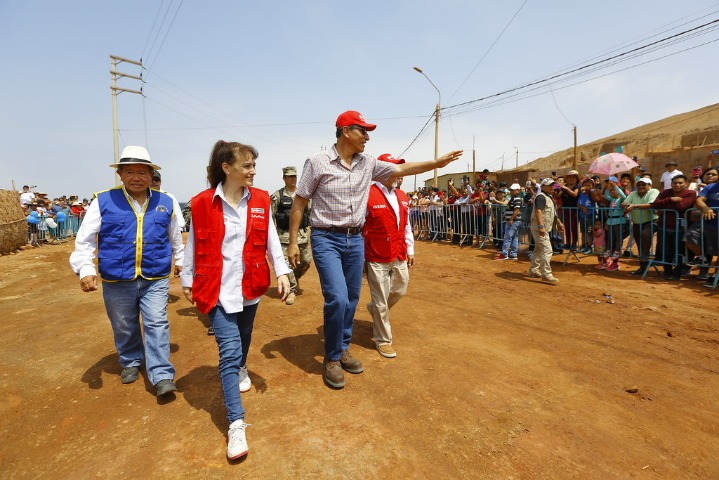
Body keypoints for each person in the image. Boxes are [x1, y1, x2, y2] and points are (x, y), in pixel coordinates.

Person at [287, 110, 462, 389]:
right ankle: (331, 358)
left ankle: (343, 347)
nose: (367, 137)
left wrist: (436, 163)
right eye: (363, 131)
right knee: (337, 298)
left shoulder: (368, 163)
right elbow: (299, 202)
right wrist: (294, 241)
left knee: (353, 298)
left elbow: (402, 170)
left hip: (355, 240)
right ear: (346, 131)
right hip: (326, 239)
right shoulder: (317, 162)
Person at [180, 140, 291, 460]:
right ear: (226, 169)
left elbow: (270, 238)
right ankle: (236, 423)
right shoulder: (201, 203)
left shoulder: (260, 201)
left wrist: (281, 272)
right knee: (228, 354)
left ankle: (243, 365)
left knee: (244, 338)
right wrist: (188, 277)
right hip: (216, 289)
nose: (253, 171)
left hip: (250, 286)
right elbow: (193, 244)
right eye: (247, 166)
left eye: (255, 165)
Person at [69, 146, 184, 397]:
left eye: (142, 172)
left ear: (151, 175)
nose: (136, 177)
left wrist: (182, 262)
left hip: (155, 276)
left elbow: (175, 238)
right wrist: (86, 269)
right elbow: (85, 240)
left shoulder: (166, 202)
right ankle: (131, 360)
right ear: (120, 174)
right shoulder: (103, 200)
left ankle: (162, 374)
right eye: (129, 171)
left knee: (157, 323)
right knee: (123, 324)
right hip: (117, 278)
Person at [364, 153, 414, 358]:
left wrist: (410, 249)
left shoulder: (402, 196)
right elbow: (359, 226)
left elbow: (407, 225)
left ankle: (374, 309)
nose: (399, 174)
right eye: (394, 169)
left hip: (398, 251)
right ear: (382, 171)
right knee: (381, 300)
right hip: (376, 255)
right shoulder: (367, 194)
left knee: (400, 289)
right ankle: (383, 340)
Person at [270, 166, 312, 306]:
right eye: (289, 176)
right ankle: (292, 290)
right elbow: (270, 217)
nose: (293, 179)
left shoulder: (304, 195)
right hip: (283, 237)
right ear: (284, 178)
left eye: (294, 176)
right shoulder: (277, 196)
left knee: (306, 261)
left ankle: (295, 277)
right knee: (286, 264)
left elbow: (310, 212)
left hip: (301, 235)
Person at [527, 178, 565, 284]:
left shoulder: (549, 197)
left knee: (539, 250)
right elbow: (538, 211)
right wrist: (541, 226)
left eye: (553, 185)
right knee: (547, 250)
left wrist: (559, 223)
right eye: (549, 185)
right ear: (542, 186)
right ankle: (546, 274)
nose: (552, 187)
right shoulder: (541, 197)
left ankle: (533, 270)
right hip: (540, 228)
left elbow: (553, 214)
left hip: (543, 228)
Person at [622, 178, 660, 275]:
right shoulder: (633, 193)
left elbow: (651, 204)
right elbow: (624, 203)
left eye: (644, 184)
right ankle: (643, 267)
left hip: (652, 222)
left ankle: (646, 262)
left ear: (650, 185)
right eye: (639, 185)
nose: (641, 186)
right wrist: (626, 206)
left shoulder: (654, 191)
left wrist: (634, 205)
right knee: (639, 244)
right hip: (637, 223)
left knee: (645, 236)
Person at [496, 183, 523, 260]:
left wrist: (511, 219)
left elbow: (517, 209)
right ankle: (513, 254)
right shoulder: (514, 197)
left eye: (512, 190)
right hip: (515, 220)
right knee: (514, 237)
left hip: (514, 221)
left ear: (517, 190)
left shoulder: (517, 198)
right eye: (511, 190)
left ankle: (504, 254)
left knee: (507, 237)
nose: (511, 191)